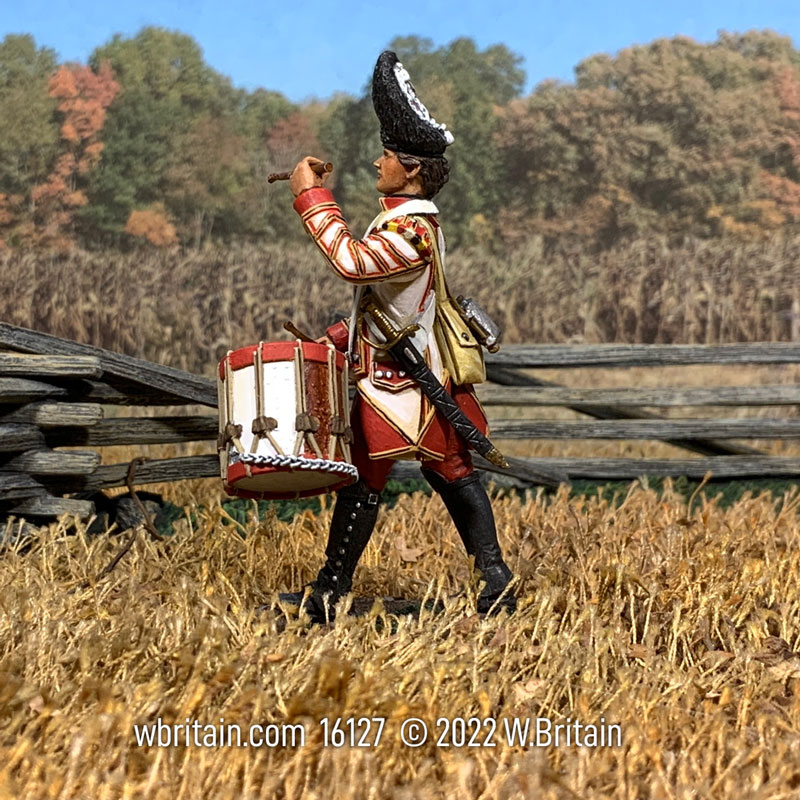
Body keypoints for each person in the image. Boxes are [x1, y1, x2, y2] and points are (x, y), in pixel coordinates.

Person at [279, 51, 515, 622]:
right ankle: (494, 579)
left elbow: (354, 264)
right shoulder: (401, 220)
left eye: (386, 155)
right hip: (396, 373)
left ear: (410, 168)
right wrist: (342, 334)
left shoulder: (412, 227)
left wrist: (310, 197)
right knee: (448, 470)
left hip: (400, 383)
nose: (378, 163)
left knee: (386, 477)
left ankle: (331, 592)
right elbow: (387, 302)